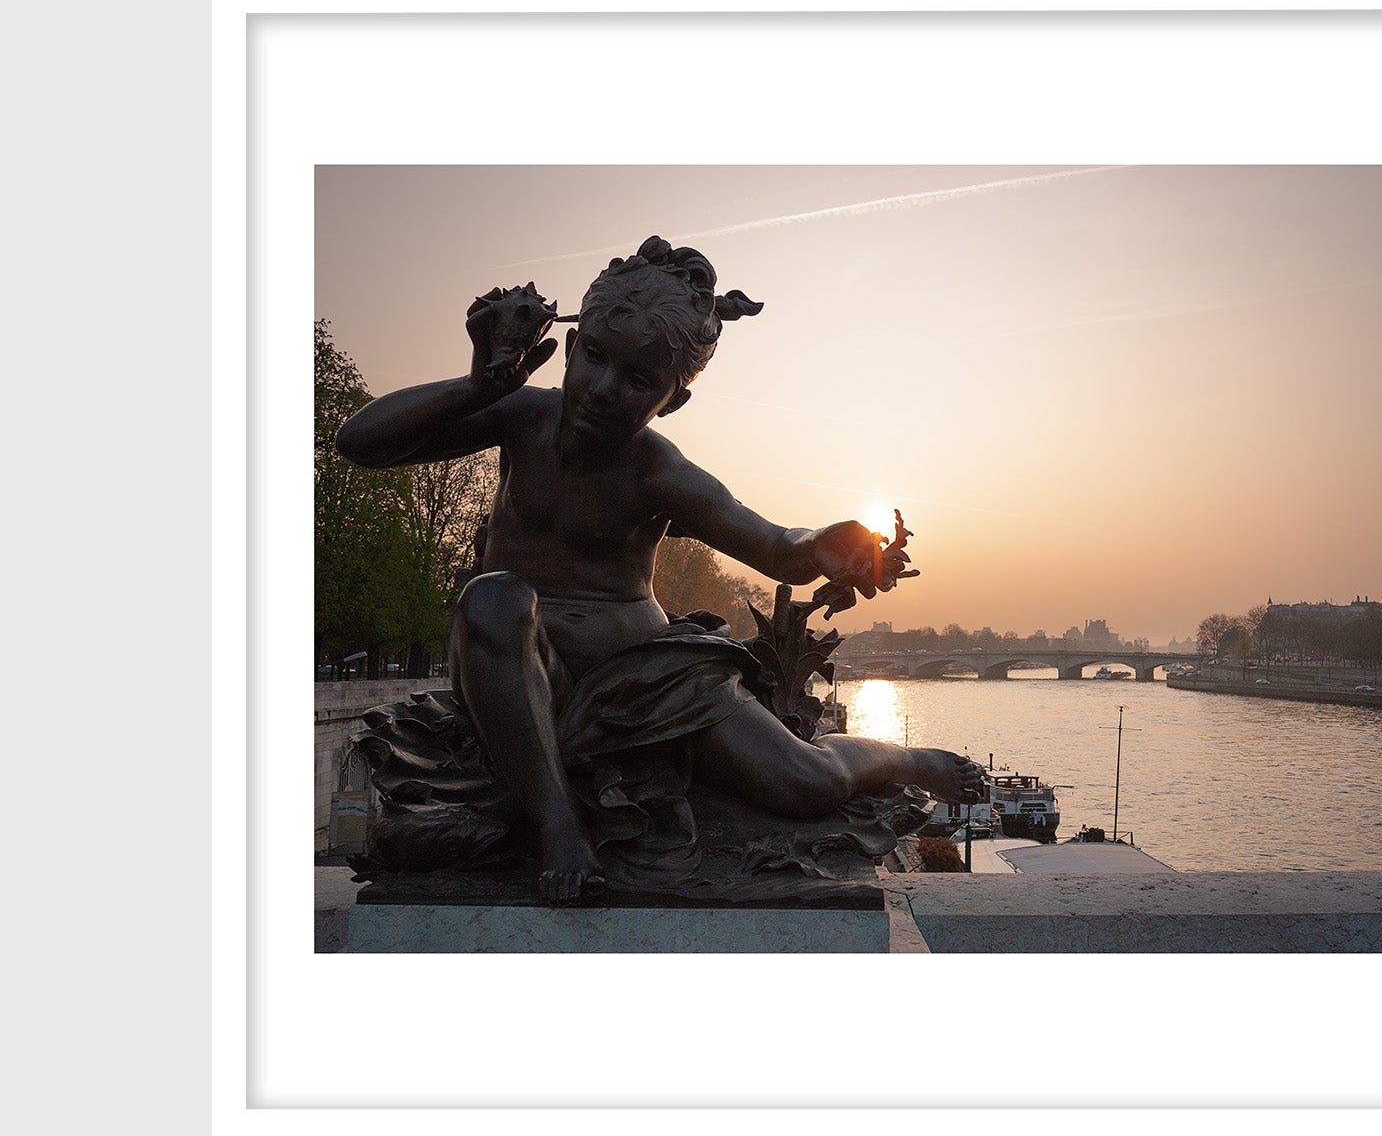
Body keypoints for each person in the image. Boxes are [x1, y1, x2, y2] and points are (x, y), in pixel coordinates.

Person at [336, 235, 986, 899]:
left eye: (639, 380)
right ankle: (560, 826)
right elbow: (358, 443)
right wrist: (477, 386)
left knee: (805, 782)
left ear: (672, 400)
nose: (602, 389)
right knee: (492, 599)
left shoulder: (658, 472)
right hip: (522, 666)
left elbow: (769, 544)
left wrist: (825, 541)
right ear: (570, 344)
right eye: (594, 358)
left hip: (649, 682)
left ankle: (906, 758)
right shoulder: (522, 416)